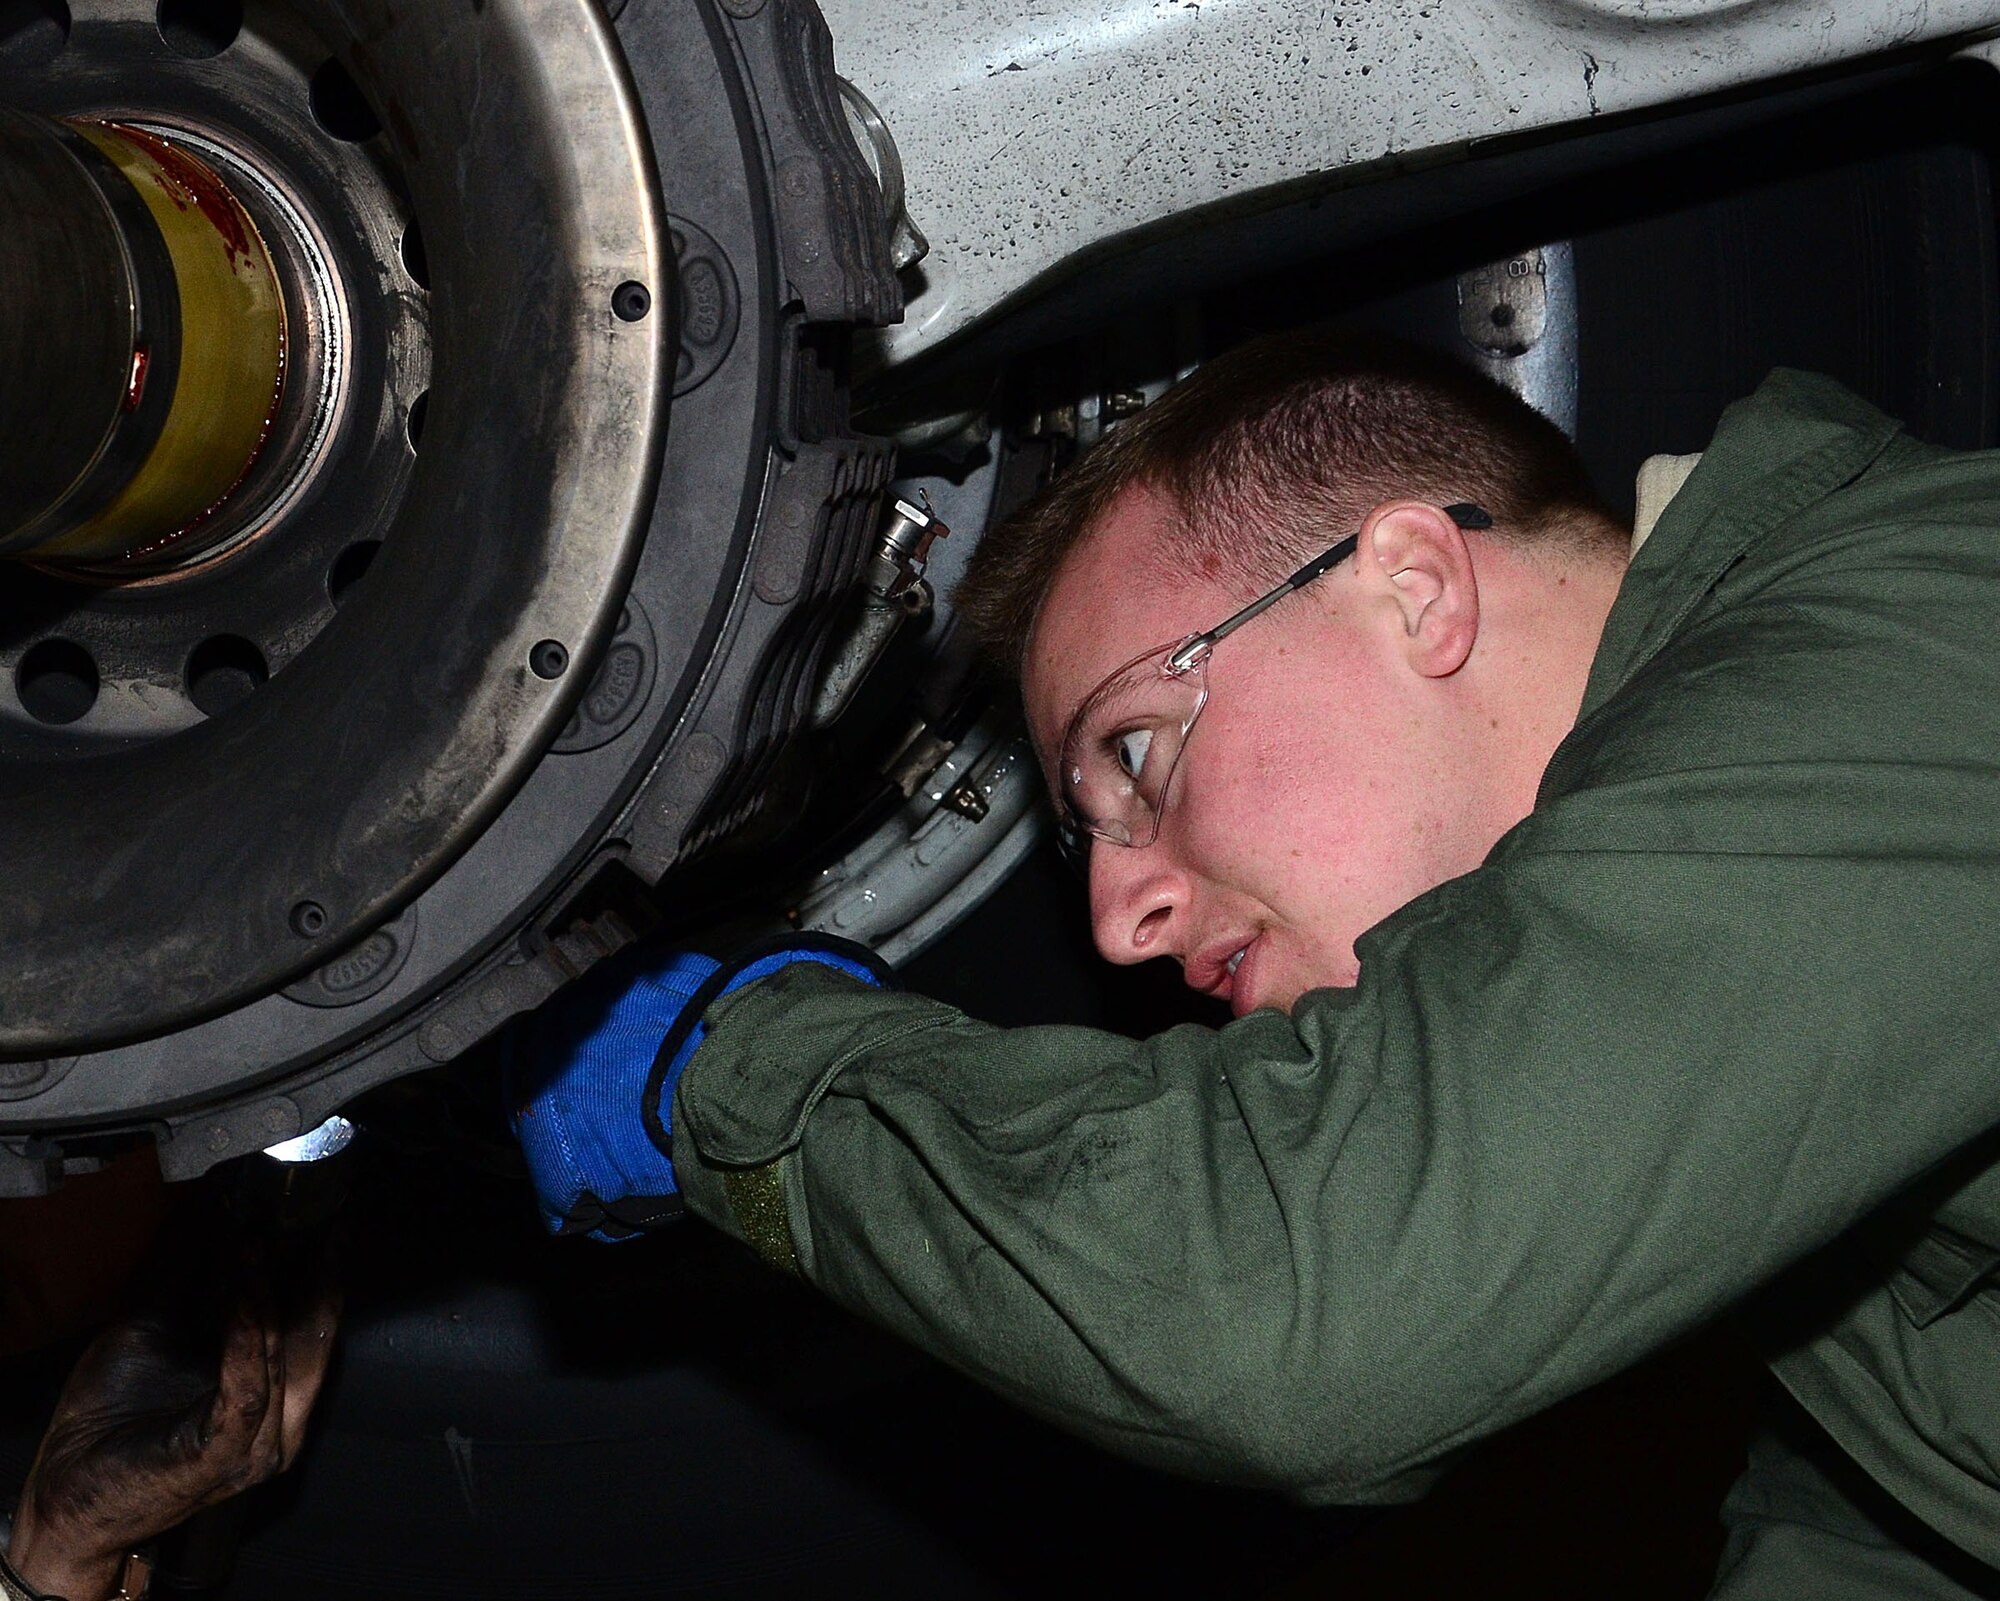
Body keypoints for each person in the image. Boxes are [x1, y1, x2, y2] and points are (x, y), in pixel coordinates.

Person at [511, 332, 2000, 1595]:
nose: (1116, 923)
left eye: (1139, 751)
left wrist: (727, 1058)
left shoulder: (1916, 639)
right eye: (1082, 837)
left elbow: (1312, 1298)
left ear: (1413, 584)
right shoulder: (1804, 1037)